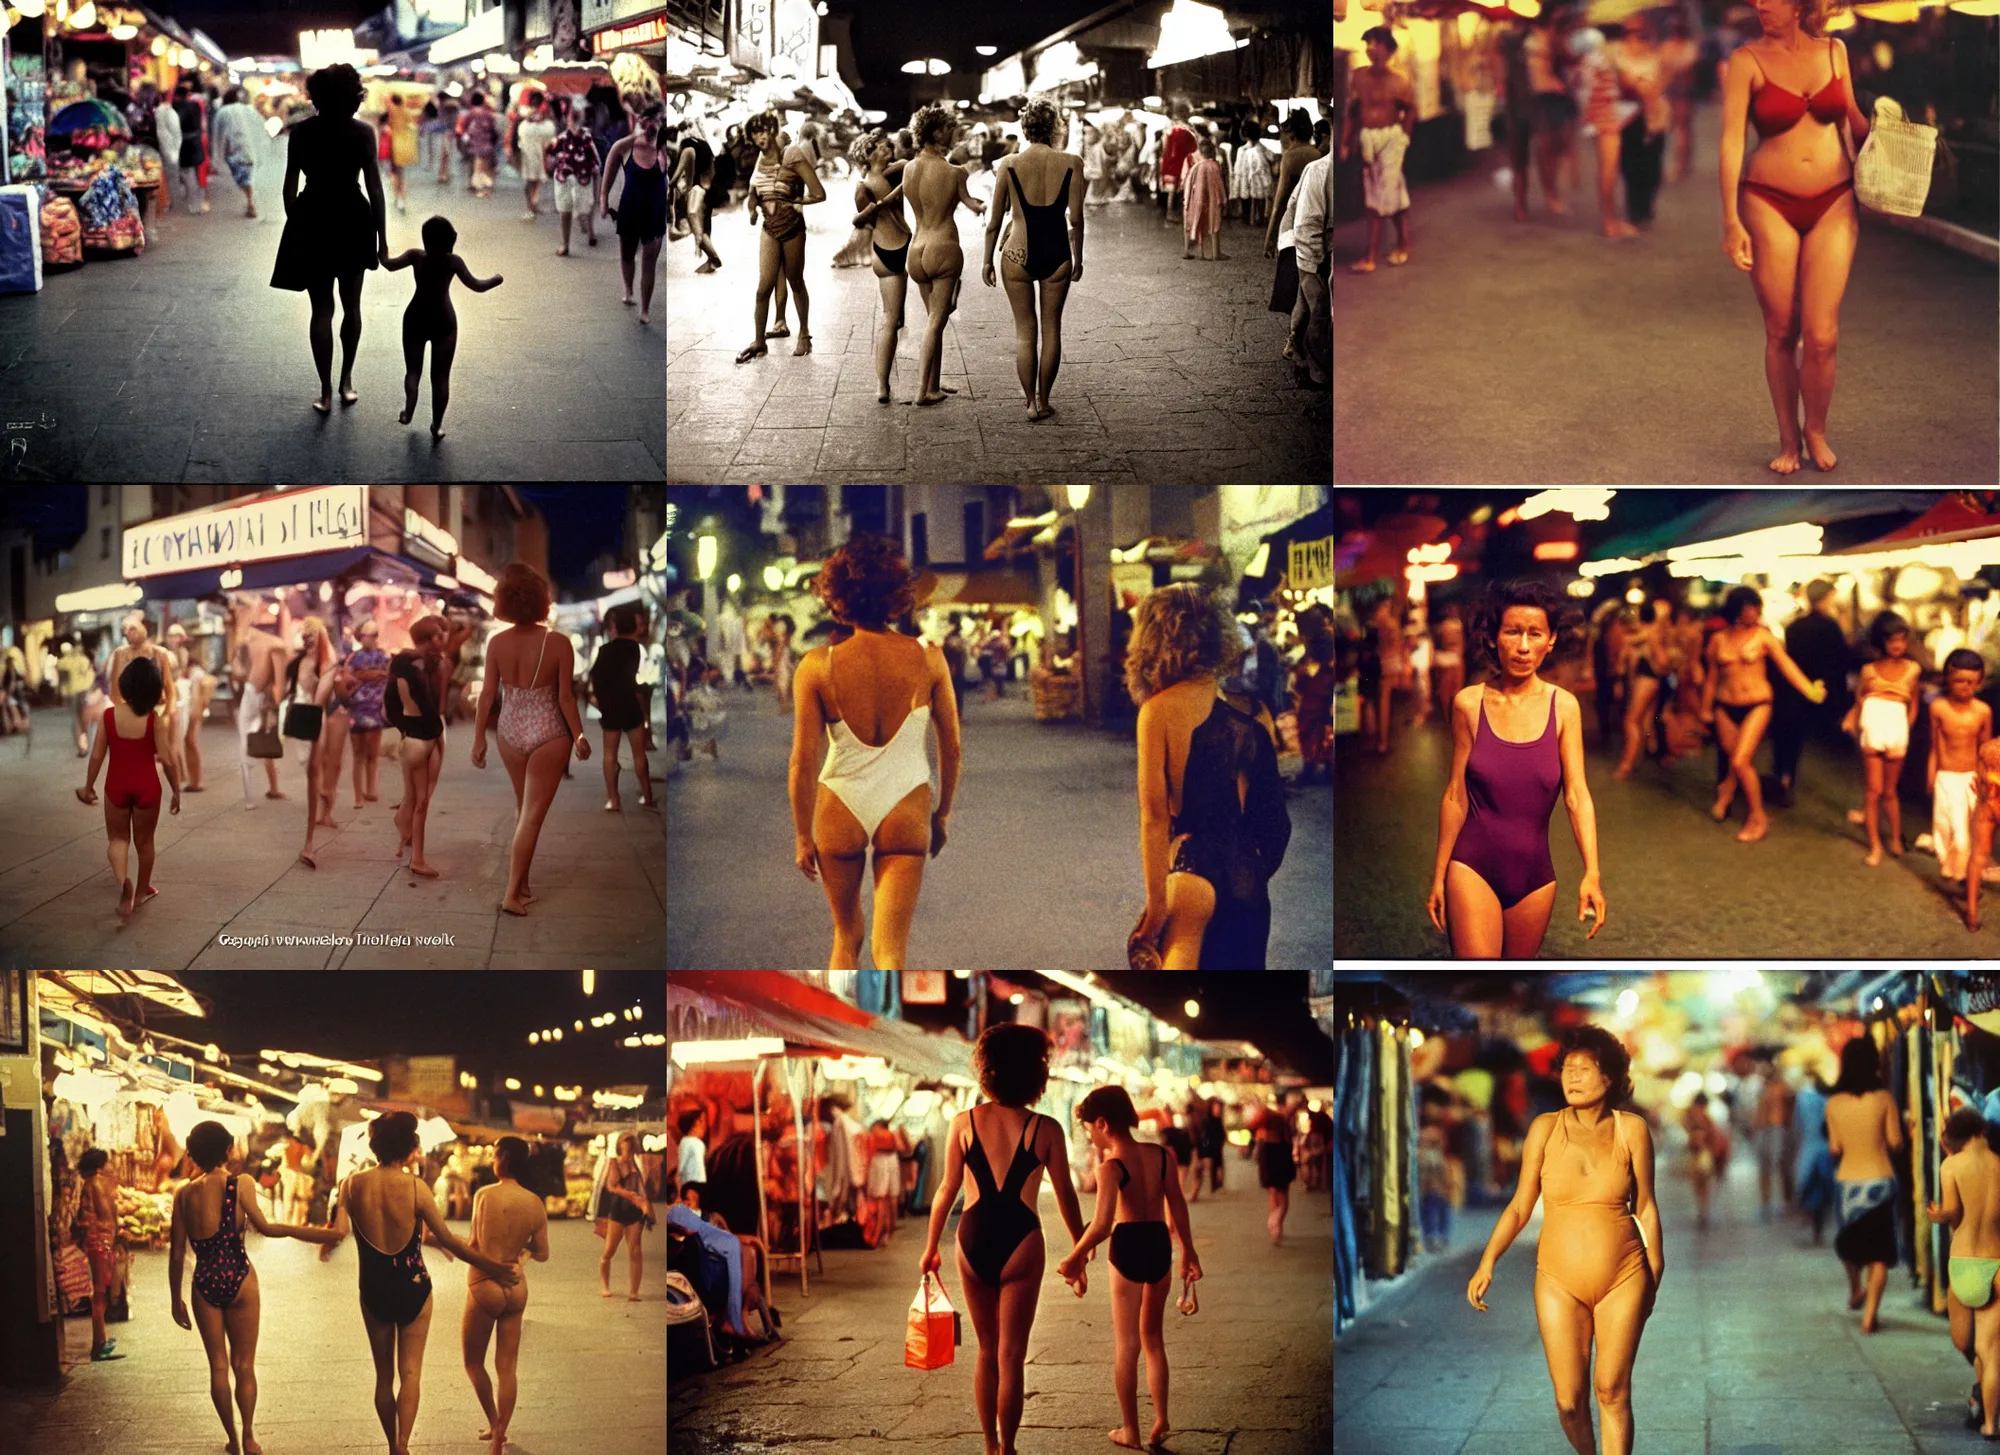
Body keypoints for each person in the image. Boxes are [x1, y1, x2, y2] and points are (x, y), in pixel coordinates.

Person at [1467, 1026, 1661, 1455]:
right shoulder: (1545, 1128)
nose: (1572, 1078)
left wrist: (1655, 1272)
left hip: (1625, 1274)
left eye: (1584, 1069)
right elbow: (1520, 1205)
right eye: (1567, 1069)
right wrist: (1487, 1262)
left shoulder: (1632, 1130)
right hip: (1558, 1279)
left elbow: (1646, 1206)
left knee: (1612, 1391)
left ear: (1609, 1077)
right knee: (1569, 1401)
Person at [789, 535, 961, 970]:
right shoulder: (929, 659)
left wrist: (802, 835)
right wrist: (942, 813)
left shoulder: (816, 666)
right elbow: (952, 747)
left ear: (837, 596)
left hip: (839, 805)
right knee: (891, 950)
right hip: (906, 804)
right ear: (897, 594)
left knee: (846, 937)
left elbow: (802, 761)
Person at [921, 1026, 1089, 1455]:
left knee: (986, 1353)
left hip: (972, 1238)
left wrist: (929, 1249)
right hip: (1022, 1239)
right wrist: (1079, 1251)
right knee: (1012, 1356)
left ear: (986, 1069)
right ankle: (1009, 1449)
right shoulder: (1047, 1129)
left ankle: (990, 1445)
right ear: (1037, 1074)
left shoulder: (963, 1123)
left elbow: (946, 1190)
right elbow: (1066, 1194)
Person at [1719, 0, 1869, 473]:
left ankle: (1816, 431)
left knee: (1822, 335)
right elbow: (1731, 142)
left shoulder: (1834, 52)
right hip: (1768, 201)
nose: (1760, 4)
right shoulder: (1746, 60)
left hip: (1834, 199)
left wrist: (1897, 131)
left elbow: (1853, 119)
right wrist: (1730, 221)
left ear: (1800, 4)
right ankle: (1788, 441)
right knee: (1782, 330)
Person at [1428, 579, 1608, 958]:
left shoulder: (1564, 708)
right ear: (1493, 638)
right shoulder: (1467, 704)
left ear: (1551, 640)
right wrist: (1440, 874)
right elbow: (1455, 795)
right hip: (1471, 865)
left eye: (1535, 634)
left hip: (1535, 877)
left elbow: (1577, 796)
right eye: (1512, 632)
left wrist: (1592, 871)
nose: (1523, 646)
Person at [323, 1112, 518, 1455]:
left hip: (373, 1288)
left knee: (384, 1377)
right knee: (410, 1373)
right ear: (411, 1147)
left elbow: (336, 1233)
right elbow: (448, 1239)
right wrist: (495, 1268)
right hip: (413, 1285)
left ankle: (390, 1443)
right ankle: (403, 1444)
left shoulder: (351, 1185)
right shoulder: (417, 1188)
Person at [1127, 585, 1291, 969]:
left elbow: (1154, 819)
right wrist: (1250, 869)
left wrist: (1155, 911)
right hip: (1250, 879)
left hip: (1191, 871)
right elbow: (1275, 822)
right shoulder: (1255, 713)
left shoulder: (1157, 712)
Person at [168, 1121, 341, 1455]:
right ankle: (248, 1436)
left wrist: (176, 1300)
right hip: (241, 1277)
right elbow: (268, 1228)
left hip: (204, 1282)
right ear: (229, 1150)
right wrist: (321, 1234)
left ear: (193, 1153)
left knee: (218, 1366)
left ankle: (232, 1440)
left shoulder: (183, 1194)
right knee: (244, 1365)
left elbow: (177, 1254)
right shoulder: (240, 1184)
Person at [1058, 1087, 1201, 1452]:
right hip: (1158, 1242)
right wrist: (1188, 1251)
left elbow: (1103, 1224)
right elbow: (1178, 1206)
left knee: (1126, 1344)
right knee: (1153, 1339)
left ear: (1103, 1124)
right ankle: (1161, 1418)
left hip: (1127, 1245)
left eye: (1090, 1128)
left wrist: (1075, 1255)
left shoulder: (1110, 1168)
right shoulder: (1162, 1155)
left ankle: (1130, 1430)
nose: (1090, 1136)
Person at [470, 563, 590, 916]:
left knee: (524, 809)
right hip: (549, 731)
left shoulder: (496, 643)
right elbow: (566, 699)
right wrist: (579, 735)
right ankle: (511, 893)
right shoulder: (558, 643)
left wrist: (479, 738)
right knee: (532, 815)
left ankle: (522, 885)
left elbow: (487, 695)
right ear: (540, 600)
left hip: (509, 730)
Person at [271, 65, 389, 416]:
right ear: (354, 97)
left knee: (321, 310)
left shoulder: (302, 132)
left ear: (317, 96)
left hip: (313, 216)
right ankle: (346, 381)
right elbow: (375, 188)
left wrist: (298, 224)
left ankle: (324, 390)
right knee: (352, 307)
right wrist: (383, 238)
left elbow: (289, 187)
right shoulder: (363, 133)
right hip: (354, 217)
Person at [864, 103, 983, 406]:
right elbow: (972, 205)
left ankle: (933, 383)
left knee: (936, 317)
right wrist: (985, 206)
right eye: (950, 129)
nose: (954, 134)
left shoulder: (909, 168)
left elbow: (889, 197)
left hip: (915, 253)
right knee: (936, 320)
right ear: (938, 132)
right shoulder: (956, 172)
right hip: (944, 248)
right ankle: (923, 390)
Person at [1700, 584, 1829, 842]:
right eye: (1751, 607)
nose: (1756, 612)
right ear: (1738, 610)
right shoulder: (1718, 640)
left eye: (1758, 607)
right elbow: (1712, 678)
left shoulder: (1763, 637)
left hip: (1757, 704)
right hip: (1725, 706)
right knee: (1735, 758)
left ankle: (1757, 817)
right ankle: (1727, 788)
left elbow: (1787, 666)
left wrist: (1810, 691)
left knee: (1740, 762)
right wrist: (1704, 709)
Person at [461, 1137, 549, 1455]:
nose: (491, 1159)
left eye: (494, 1154)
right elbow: (542, 1253)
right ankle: (500, 1435)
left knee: (473, 1362)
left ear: (503, 1158)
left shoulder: (485, 1195)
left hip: (484, 1285)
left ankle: (495, 1424)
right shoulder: (535, 1202)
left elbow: (472, 1245)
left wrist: (443, 1242)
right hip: (517, 1287)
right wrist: (519, 1257)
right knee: (507, 1366)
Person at [381, 215, 504, 441]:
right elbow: (477, 286)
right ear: (450, 240)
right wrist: (496, 279)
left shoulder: (415, 256)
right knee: (440, 378)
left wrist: (381, 245)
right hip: (443, 320)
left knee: (413, 372)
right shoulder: (453, 262)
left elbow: (388, 264)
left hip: (415, 317)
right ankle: (436, 426)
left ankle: (408, 411)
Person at [76, 656, 181, 917]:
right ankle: (142, 890)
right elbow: (167, 759)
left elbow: (97, 755)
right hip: (147, 787)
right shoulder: (153, 719)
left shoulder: (109, 716)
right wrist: (177, 790)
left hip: (117, 786)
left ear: (124, 685)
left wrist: (88, 787)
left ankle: (124, 882)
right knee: (145, 843)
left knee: (117, 839)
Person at [1825, 1036, 1903, 1333]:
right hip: (1880, 1180)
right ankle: (1870, 1314)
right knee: (1879, 1253)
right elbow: (1895, 1142)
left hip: (1848, 1184)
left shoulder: (1833, 1103)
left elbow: (1835, 1148)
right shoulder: (1884, 1098)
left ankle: (1855, 1288)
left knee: (1850, 1243)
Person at [1841, 610, 1922, 866]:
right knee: (1873, 790)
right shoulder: (1868, 671)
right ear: (1882, 642)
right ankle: (1875, 844)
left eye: (1902, 639)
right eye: (1892, 640)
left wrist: (1905, 728)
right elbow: (1860, 700)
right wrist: (1856, 721)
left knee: (1890, 791)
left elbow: (1914, 703)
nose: (1897, 645)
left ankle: (1895, 837)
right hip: (1873, 728)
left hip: (1897, 729)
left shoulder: (1913, 669)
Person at [1771, 579, 1849, 806]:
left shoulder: (1795, 627)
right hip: (1818, 688)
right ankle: (1786, 779)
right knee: (1796, 736)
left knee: (1787, 736)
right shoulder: (1831, 627)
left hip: (1793, 687)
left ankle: (1782, 776)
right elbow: (1840, 660)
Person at [1342, 29, 1415, 271]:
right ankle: (1392, 247)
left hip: (1392, 139)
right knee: (1378, 195)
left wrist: (1404, 137)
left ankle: (1376, 254)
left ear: (1388, 49)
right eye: (1367, 43)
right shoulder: (1359, 76)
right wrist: (1345, 141)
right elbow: (1352, 112)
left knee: (1385, 195)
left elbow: (1411, 110)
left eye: (1375, 43)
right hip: (1368, 139)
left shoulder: (1400, 79)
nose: (1370, 48)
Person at [388, 616, 451, 877]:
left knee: (416, 797)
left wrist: (404, 727)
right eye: (438, 635)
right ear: (427, 638)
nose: (442, 639)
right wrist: (436, 732)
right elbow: (430, 704)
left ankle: (407, 832)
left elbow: (390, 705)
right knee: (421, 800)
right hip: (426, 733)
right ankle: (418, 859)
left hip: (415, 734)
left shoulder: (403, 663)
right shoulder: (424, 666)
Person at [596, 103, 667, 326]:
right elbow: (608, 173)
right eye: (649, 119)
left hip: (654, 212)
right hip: (630, 209)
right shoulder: (625, 147)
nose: (652, 125)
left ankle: (645, 309)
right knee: (627, 255)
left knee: (649, 263)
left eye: (658, 120)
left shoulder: (664, 150)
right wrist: (604, 201)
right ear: (639, 120)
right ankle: (628, 290)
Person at [280, 616, 338, 868]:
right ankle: (324, 797)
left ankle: (309, 843)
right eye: (304, 635)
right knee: (309, 770)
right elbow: (286, 689)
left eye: (311, 635)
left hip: (315, 719)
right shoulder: (297, 661)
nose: (307, 639)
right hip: (300, 717)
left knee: (313, 774)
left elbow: (321, 701)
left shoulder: (326, 663)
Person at [1931, 650, 1992, 888]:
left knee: (1965, 832)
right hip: (1946, 776)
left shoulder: (1983, 711)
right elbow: (1935, 746)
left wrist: (1986, 780)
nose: (1965, 687)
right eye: (1959, 680)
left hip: (1971, 778)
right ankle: (1951, 866)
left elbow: (1986, 750)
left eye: (1971, 682)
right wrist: (1931, 772)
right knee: (1945, 827)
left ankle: (1965, 878)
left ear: (1978, 682)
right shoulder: (1938, 707)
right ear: (1947, 679)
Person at [589, 602, 654, 811]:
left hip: (610, 707)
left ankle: (613, 800)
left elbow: (596, 677)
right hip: (630, 704)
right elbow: (638, 679)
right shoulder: (635, 649)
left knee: (609, 754)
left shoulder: (604, 650)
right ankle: (647, 795)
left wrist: (599, 700)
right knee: (638, 754)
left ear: (616, 626)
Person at [1611, 19, 1669, 229]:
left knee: (1653, 166)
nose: (1635, 41)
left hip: (1654, 118)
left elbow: (1659, 86)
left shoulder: (1655, 59)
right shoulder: (1617, 59)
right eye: (1631, 35)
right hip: (1628, 117)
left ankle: (1646, 205)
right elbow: (1622, 84)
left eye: (1640, 36)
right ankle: (1634, 209)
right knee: (1630, 165)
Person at [1613, 599, 1673, 780]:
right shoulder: (1650, 632)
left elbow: (1662, 661)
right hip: (1648, 679)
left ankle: (1626, 765)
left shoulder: (1650, 633)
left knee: (1631, 720)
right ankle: (1644, 755)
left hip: (1647, 679)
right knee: (1646, 721)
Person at [235, 620, 291, 806]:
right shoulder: (277, 647)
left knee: (255, 739)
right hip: (259, 696)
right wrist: (279, 704)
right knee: (256, 740)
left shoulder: (253, 643)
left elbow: (239, 672)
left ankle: (269, 789)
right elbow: (280, 685)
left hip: (251, 693)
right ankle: (249, 798)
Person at [76, 1149, 125, 1361]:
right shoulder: (98, 1183)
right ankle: (100, 1343)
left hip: (97, 1242)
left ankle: (101, 1341)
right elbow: (107, 1213)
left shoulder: (90, 1184)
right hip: (102, 1242)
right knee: (99, 1294)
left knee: (99, 1293)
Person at [595, 1131, 652, 1301]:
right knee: (609, 1250)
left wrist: (646, 1208)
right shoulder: (614, 1163)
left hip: (635, 1212)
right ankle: (605, 1286)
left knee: (635, 1251)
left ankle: (634, 1292)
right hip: (618, 1210)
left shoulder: (638, 1164)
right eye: (626, 1143)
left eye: (631, 1143)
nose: (628, 1146)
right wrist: (631, 1195)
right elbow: (611, 1186)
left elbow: (643, 1188)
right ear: (620, 1145)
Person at [342, 621, 392, 810]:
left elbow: (386, 676)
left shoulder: (383, 656)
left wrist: (364, 675)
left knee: (373, 754)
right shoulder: (354, 657)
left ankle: (371, 789)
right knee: (358, 755)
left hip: (374, 709)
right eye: (365, 635)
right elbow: (348, 678)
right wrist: (371, 675)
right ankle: (358, 796)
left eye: (372, 635)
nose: (369, 639)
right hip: (357, 709)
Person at [546, 98, 601, 256]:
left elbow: (595, 157)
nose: (572, 116)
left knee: (586, 207)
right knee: (565, 210)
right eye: (570, 114)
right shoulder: (562, 138)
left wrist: (596, 171)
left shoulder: (587, 136)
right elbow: (550, 153)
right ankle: (565, 243)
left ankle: (589, 231)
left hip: (583, 176)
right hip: (564, 176)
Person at [668, 120, 721, 270]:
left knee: (696, 224)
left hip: (698, 190)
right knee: (704, 226)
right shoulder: (704, 146)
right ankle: (711, 259)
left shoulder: (687, 149)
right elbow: (711, 171)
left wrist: (672, 187)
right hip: (708, 189)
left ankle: (713, 257)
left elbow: (680, 176)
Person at [211, 86, 264, 219]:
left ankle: (250, 202)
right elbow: (260, 126)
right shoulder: (249, 109)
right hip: (249, 149)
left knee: (242, 178)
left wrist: (216, 155)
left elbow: (217, 134)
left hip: (234, 152)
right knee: (246, 177)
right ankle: (250, 201)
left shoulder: (223, 111)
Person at [1252, 1096, 1296, 1244]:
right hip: (1281, 1153)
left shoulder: (1266, 1116)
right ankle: (1276, 1224)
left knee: (1273, 1192)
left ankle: (1275, 1226)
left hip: (1269, 1154)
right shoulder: (1282, 1117)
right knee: (1283, 1195)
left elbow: (1253, 1127)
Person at [1753, 1069, 1796, 1222]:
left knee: (1781, 1168)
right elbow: (1759, 1110)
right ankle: (1766, 1204)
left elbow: (1790, 1106)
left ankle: (1786, 1202)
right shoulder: (1763, 1088)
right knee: (1764, 1169)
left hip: (1778, 1128)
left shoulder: (1782, 1088)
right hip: (1764, 1128)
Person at [1683, 1095, 1724, 1229]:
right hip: (1703, 1152)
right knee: (1703, 1183)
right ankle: (1703, 1210)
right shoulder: (1703, 1117)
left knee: (1699, 1183)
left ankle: (1702, 1210)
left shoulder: (1692, 1115)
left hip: (1698, 1153)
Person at [515, 93, 555, 220]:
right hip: (531, 152)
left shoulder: (540, 116)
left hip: (534, 152)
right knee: (532, 181)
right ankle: (531, 206)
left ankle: (532, 206)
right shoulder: (528, 115)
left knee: (533, 181)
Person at [172, 81, 209, 214]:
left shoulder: (176, 107)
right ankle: (196, 203)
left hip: (184, 143)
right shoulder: (195, 105)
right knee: (194, 174)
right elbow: (202, 124)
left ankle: (194, 206)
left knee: (187, 174)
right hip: (196, 142)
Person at [456, 91, 499, 198]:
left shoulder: (470, 113)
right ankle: (482, 184)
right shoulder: (487, 114)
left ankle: (473, 183)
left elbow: (464, 127)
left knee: (473, 163)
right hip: (485, 142)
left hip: (473, 142)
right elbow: (493, 128)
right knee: (483, 165)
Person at [382, 93, 419, 214]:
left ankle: (397, 198)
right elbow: (412, 127)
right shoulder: (406, 112)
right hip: (404, 148)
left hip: (393, 148)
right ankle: (401, 200)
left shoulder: (391, 113)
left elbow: (384, 127)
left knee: (395, 174)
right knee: (402, 175)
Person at [1232, 123, 1273, 225]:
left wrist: (1236, 180)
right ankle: (1259, 217)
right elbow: (1271, 158)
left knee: (1246, 198)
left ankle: (1248, 217)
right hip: (1260, 178)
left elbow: (1238, 167)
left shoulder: (1242, 150)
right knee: (1260, 199)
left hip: (1245, 178)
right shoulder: (1261, 148)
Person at [60, 641, 96, 756]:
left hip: (74, 692)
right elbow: (91, 675)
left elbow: (63, 680)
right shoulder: (85, 660)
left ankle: (82, 747)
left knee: (77, 720)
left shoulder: (65, 662)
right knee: (83, 719)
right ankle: (85, 744)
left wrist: (64, 694)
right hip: (85, 692)